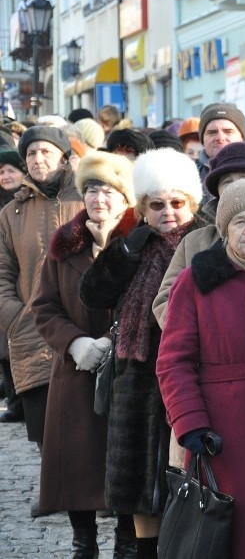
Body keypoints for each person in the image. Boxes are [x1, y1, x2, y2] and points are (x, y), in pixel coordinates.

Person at [78, 148, 205, 559]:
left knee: (181, 479)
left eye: (176, 202)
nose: (168, 212)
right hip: (134, 377)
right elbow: (93, 294)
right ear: (143, 207)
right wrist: (126, 252)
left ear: (192, 202)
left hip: (186, 375)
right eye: (157, 204)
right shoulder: (134, 245)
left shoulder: (205, 244)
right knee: (135, 485)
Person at [157, 180, 245, 559]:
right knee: (226, 536)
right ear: (224, 230)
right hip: (221, 432)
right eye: (240, 222)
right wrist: (190, 423)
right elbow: (172, 361)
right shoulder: (194, 281)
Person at [32, 151, 138, 558]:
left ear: (125, 197)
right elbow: (43, 307)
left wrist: (121, 339)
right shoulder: (65, 246)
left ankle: (128, 542)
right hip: (77, 370)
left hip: (129, 367)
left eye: (109, 190)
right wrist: (75, 343)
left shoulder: (138, 243)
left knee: (125, 457)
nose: (99, 198)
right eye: (91, 189)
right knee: (78, 458)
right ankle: (84, 542)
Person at [152, 142, 245, 328]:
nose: (237, 187)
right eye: (227, 182)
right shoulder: (195, 241)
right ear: (216, 192)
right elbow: (166, 301)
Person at [0, 127, 83, 465]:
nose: (38, 159)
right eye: (31, 153)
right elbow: (3, 273)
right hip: (32, 330)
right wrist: (16, 319)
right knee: (43, 428)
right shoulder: (12, 213)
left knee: (87, 422)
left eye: (46, 151)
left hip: (83, 327)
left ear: (64, 157)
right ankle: (55, 490)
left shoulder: (86, 199)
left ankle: (94, 498)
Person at [0, 149, 26, 422]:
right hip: (4, 279)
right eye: (2, 171)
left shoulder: (25, 204)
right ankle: (13, 400)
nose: (6, 176)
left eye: (11, 170)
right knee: (3, 349)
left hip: (23, 279)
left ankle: (21, 401)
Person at [196, 103, 245, 191]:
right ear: (202, 139)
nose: (220, 138)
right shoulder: (189, 176)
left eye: (228, 131)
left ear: (242, 137)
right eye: (212, 132)